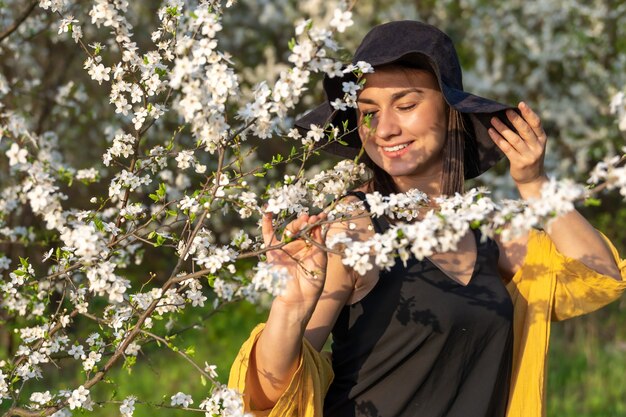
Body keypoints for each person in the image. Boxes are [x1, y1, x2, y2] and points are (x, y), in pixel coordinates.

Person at [228, 20, 626, 417]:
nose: (384, 128)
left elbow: (598, 278)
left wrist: (536, 185)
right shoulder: (352, 231)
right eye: (368, 112)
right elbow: (269, 396)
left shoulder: (489, 231)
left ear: (451, 110)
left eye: (406, 105)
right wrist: (291, 308)